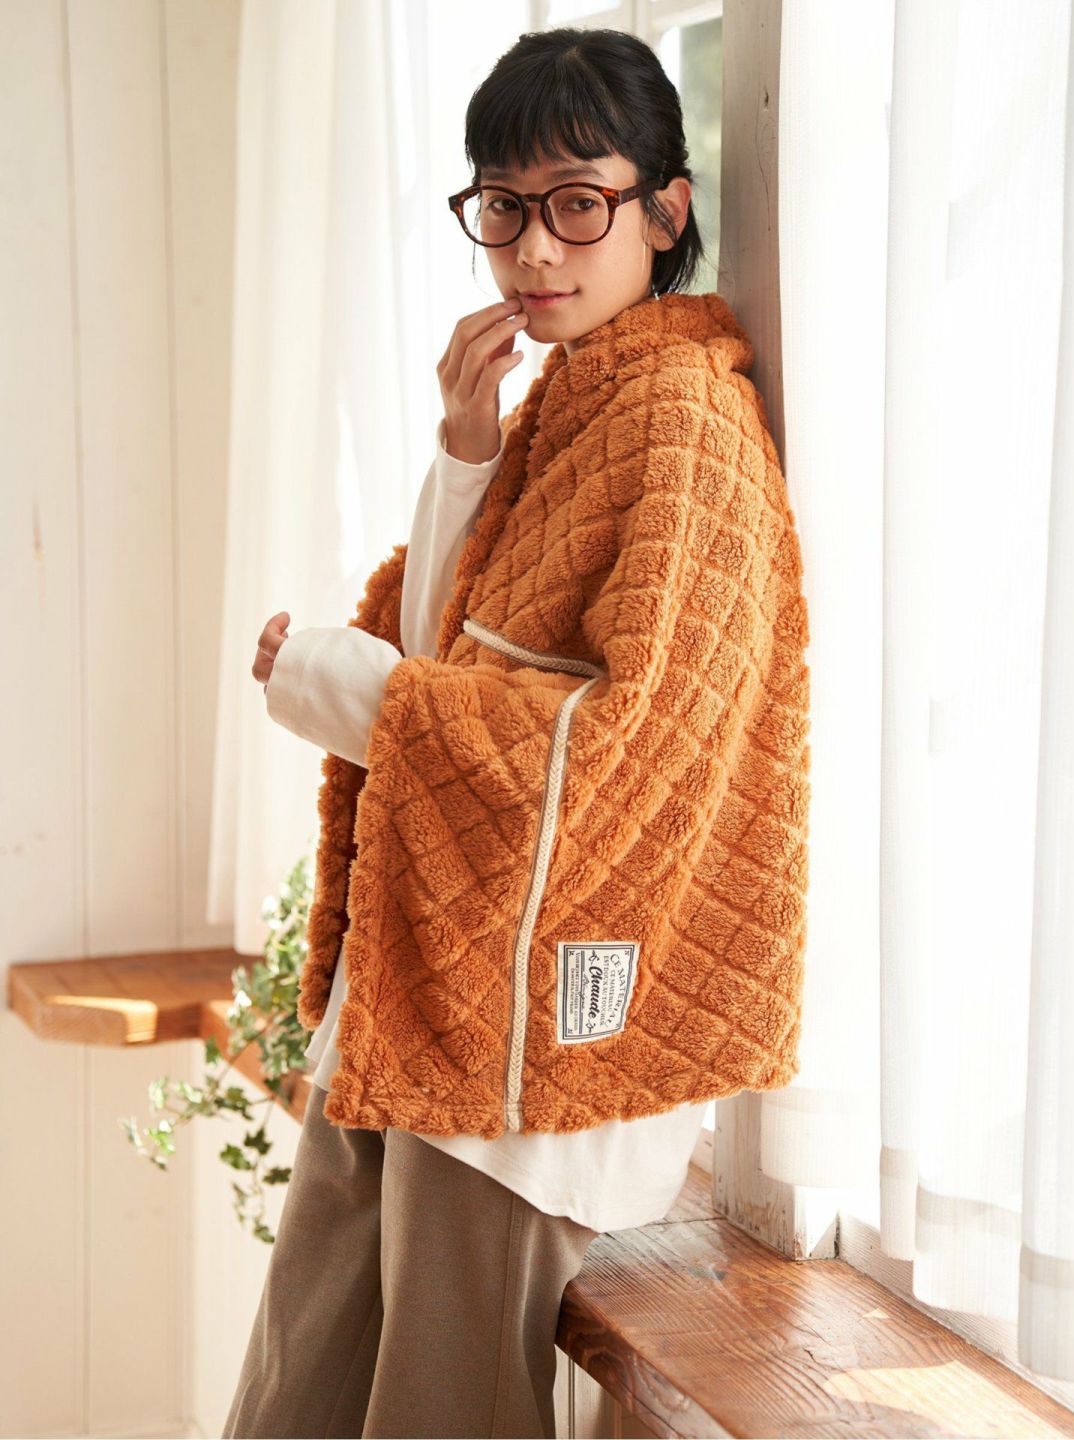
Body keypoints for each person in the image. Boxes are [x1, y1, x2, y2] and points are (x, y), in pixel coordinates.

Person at [226, 24, 798, 1440]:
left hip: (533, 1052)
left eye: (577, 203)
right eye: (504, 205)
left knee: (435, 1408)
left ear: (665, 209)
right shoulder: (566, 403)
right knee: (300, 1391)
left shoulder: (685, 425)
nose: (535, 249)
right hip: (432, 988)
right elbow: (451, 645)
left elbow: (626, 752)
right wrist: (466, 443)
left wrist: (342, 687)